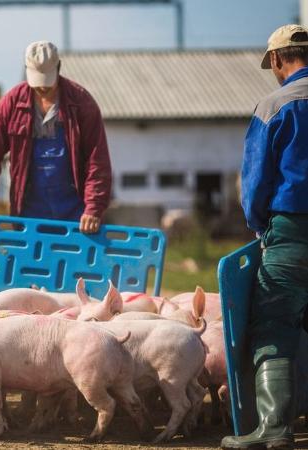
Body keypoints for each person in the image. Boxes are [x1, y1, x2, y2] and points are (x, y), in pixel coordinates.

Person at [221, 24, 308, 450]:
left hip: (292, 230)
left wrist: (260, 226)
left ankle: (274, 428)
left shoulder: (275, 105)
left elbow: (254, 182)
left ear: (277, 60)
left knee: (275, 323)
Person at [0, 40, 112, 233]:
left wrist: (93, 208)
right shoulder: (10, 105)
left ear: (58, 68)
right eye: (37, 82)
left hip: (76, 216)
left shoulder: (82, 104)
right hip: (28, 213)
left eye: (47, 82)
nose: (43, 88)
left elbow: (98, 161)